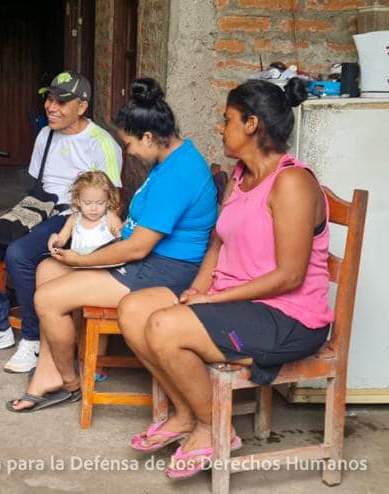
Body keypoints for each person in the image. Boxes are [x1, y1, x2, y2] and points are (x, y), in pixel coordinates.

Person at [118, 78, 330, 479]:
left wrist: (213, 300)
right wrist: (200, 286)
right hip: (236, 300)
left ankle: (213, 428)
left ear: (252, 124)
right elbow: (217, 240)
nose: (220, 127)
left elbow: (290, 276)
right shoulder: (241, 174)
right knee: (132, 309)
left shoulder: (292, 183)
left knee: (164, 326)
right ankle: (185, 414)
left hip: (288, 316)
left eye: (227, 119)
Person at [6, 78, 218, 412]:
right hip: (146, 261)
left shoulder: (179, 173)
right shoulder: (171, 160)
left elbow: (137, 249)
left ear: (149, 137)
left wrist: (80, 260)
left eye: (130, 144)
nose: (129, 152)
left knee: (47, 298)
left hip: (162, 272)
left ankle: (70, 381)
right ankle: (49, 372)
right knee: (47, 268)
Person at [0, 71, 122, 374]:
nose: (51, 107)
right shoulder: (45, 135)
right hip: (40, 206)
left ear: (82, 106)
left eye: (61, 101)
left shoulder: (102, 144)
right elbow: (39, 185)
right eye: (49, 99)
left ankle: (32, 340)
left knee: (20, 254)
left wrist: (92, 217)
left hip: (74, 216)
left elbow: (109, 201)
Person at [47, 170, 123, 256]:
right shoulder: (74, 218)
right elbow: (62, 239)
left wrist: (118, 236)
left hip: (102, 265)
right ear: (78, 201)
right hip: (77, 264)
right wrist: (55, 240)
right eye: (87, 203)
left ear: (108, 201)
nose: (94, 208)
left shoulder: (110, 218)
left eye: (100, 203)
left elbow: (123, 242)